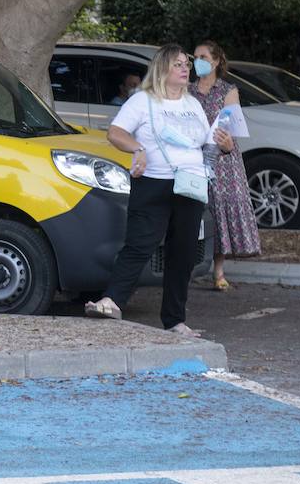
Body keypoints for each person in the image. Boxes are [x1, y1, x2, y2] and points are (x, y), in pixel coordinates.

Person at [84, 44, 233, 337]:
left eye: (186, 65)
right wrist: (137, 149)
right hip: (154, 181)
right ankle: (110, 301)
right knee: (140, 243)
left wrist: (225, 146)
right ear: (162, 68)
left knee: (184, 253)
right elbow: (116, 133)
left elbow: (207, 145)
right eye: (178, 64)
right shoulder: (143, 100)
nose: (185, 68)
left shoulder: (192, 105)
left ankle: (175, 321)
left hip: (190, 184)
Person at [190, 41, 260, 290]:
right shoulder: (187, 91)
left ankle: (218, 271)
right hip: (193, 157)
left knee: (219, 210)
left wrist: (226, 143)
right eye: (195, 56)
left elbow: (232, 124)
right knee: (196, 210)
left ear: (217, 61)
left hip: (221, 159)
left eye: (203, 56)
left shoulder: (227, 90)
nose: (197, 60)